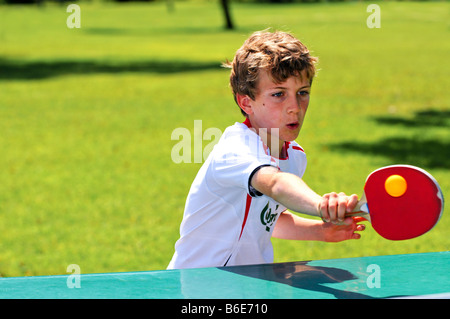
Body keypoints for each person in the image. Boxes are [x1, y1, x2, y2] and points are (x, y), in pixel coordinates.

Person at [167, 30, 365, 269]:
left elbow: (267, 220)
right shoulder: (235, 150)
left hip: (246, 285)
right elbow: (275, 184)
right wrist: (321, 204)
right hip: (197, 290)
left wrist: (321, 231)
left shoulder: (294, 156)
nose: (295, 107)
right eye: (279, 94)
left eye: (302, 93)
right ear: (246, 102)